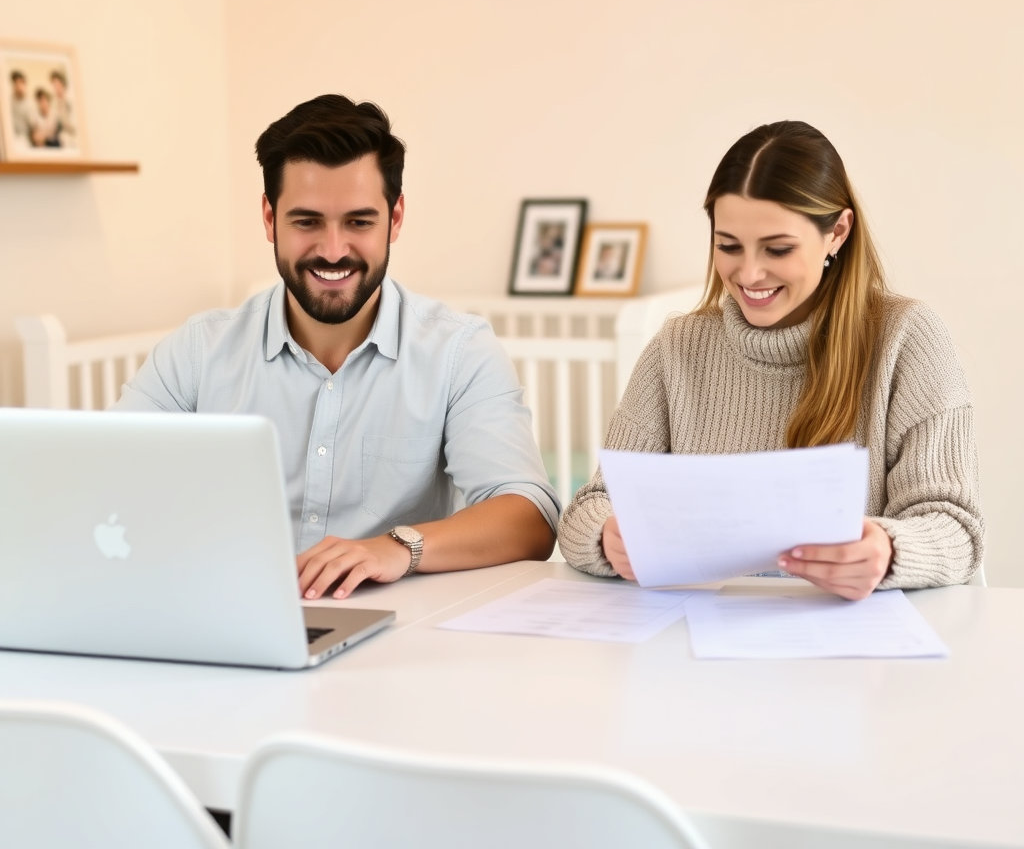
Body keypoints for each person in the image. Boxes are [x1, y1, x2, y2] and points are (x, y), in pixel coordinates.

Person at [113, 94, 559, 598]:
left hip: (400, 641)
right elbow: (106, 476)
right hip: (224, 614)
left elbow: (529, 517)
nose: (332, 250)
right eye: (307, 222)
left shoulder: (460, 352)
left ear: (394, 218)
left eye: (358, 222)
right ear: (268, 218)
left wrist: (395, 548)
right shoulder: (197, 352)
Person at [558, 120, 983, 600]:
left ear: (838, 233)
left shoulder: (906, 340)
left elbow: (957, 530)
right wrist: (606, 536)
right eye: (728, 246)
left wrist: (888, 550)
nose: (749, 274)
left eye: (777, 249)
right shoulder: (677, 348)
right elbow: (592, 505)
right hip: (690, 647)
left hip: (847, 649)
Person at [8, 71, 33, 147]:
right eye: (15, 83)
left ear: (24, 84)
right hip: (10, 136)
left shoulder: (30, 104)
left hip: (23, 139)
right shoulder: (9, 101)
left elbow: (32, 127)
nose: (18, 86)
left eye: (20, 83)